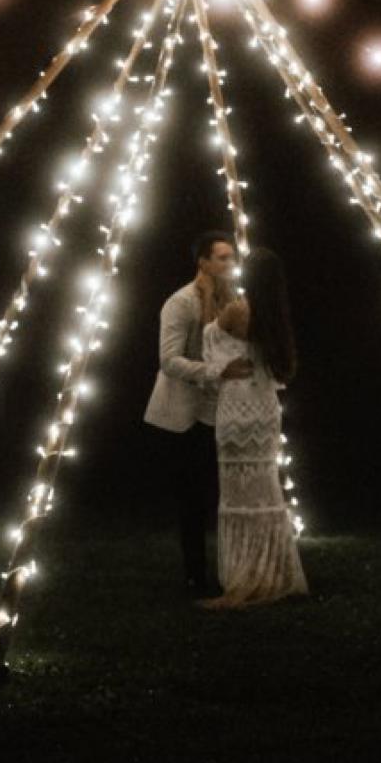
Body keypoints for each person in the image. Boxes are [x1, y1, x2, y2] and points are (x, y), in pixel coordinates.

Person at [197, 247, 309, 609]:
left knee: (237, 495)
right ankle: (275, 572)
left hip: (236, 406)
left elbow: (208, 340)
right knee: (266, 490)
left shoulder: (237, 310)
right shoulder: (274, 316)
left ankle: (244, 578)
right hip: (264, 408)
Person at [144, 231, 253, 596]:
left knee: (224, 495)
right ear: (202, 262)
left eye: (231, 257)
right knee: (193, 500)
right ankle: (195, 576)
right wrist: (214, 372)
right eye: (222, 257)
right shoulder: (181, 303)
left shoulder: (232, 302)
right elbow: (169, 360)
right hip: (182, 415)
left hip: (220, 410)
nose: (229, 263)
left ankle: (230, 571)